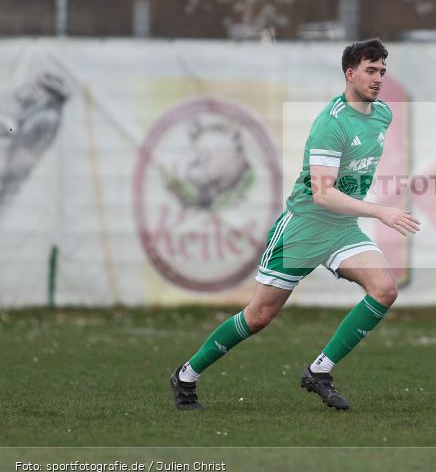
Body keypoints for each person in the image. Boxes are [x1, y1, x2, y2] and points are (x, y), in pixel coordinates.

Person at [170, 38, 420, 411]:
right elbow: (322, 194)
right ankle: (186, 375)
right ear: (349, 74)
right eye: (370, 70)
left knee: (384, 289)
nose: (378, 77)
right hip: (303, 227)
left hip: (340, 229)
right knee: (258, 317)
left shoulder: (383, 114)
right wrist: (380, 211)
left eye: (382, 70)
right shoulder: (330, 125)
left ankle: (319, 371)